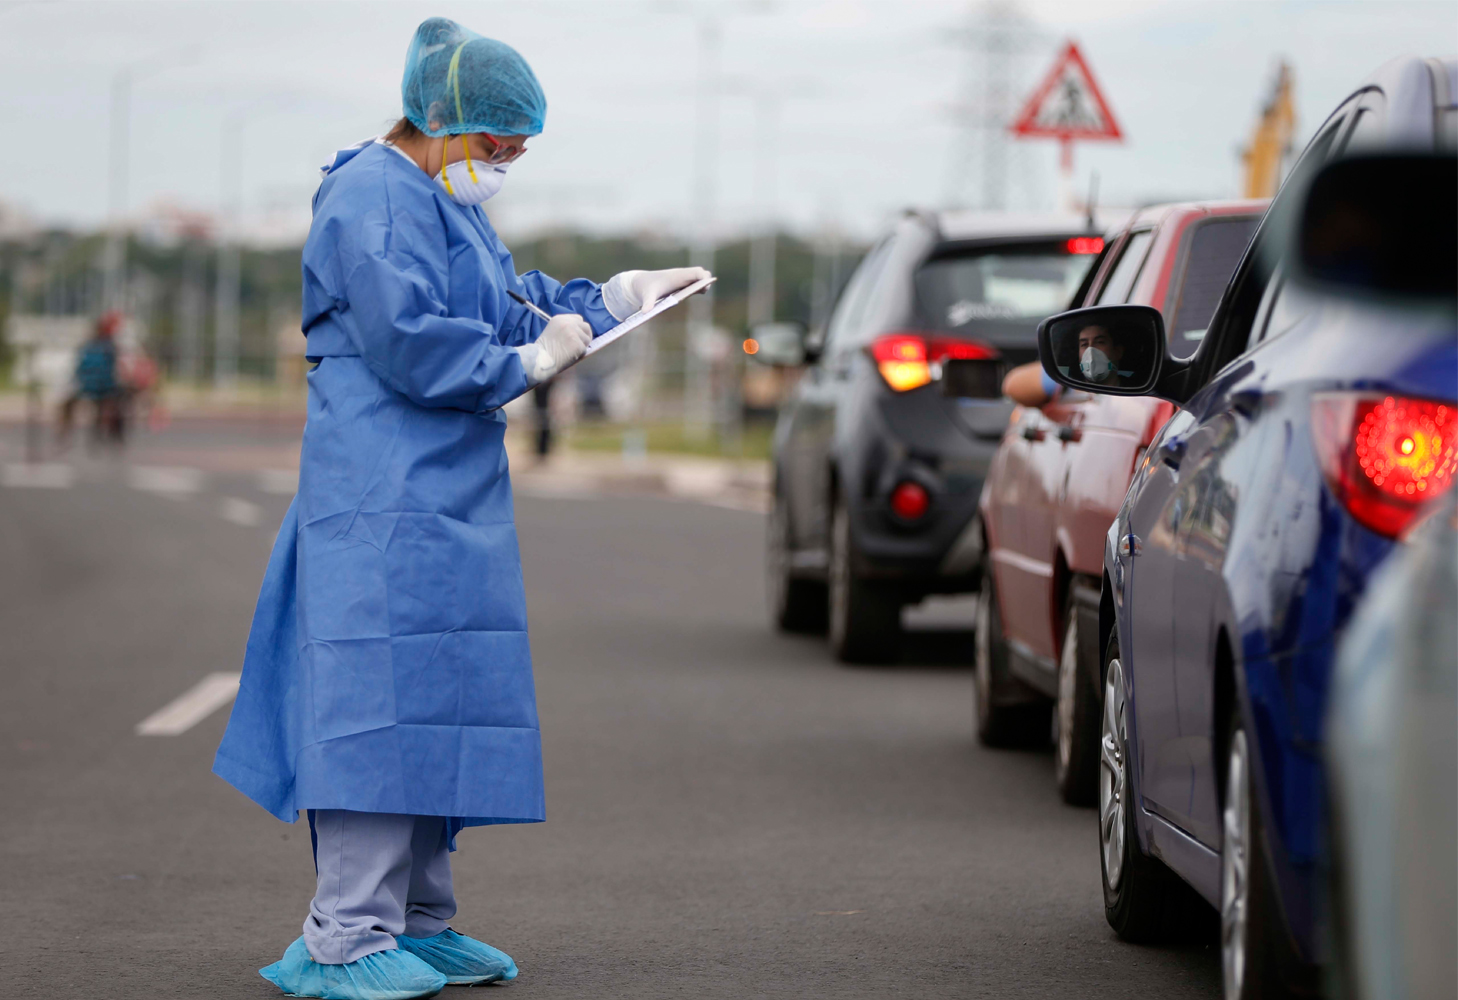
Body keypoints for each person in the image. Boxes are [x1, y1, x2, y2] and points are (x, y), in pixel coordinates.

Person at [212, 18, 710, 1000]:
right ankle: (347, 931)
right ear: (440, 121)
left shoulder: (446, 200)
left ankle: (419, 919)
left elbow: (503, 302)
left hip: (443, 493)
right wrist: (521, 364)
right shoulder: (368, 195)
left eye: (519, 150)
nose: (506, 163)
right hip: (378, 491)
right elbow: (411, 335)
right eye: (498, 144)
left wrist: (606, 303)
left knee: (436, 695)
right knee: (372, 703)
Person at [57, 310, 123, 449]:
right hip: (90, 386)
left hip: (104, 388)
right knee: (67, 404)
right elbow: (80, 368)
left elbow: (115, 370)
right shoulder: (91, 346)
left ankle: (110, 437)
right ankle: (64, 436)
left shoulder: (109, 347)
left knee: (114, 405)